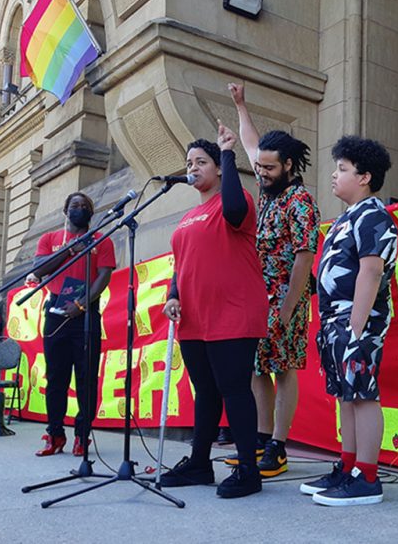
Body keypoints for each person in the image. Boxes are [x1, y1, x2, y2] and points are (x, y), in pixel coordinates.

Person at [159, 125, 268, 499]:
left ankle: (248, 471)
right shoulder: (190, 216)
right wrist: (173, 294)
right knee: (205, 392)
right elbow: (181, 265)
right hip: (194, 317)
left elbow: (236, 209)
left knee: (234, 389)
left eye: (200, 161)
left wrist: (227, 152)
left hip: (233, 313)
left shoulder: (234, 201)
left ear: (219, 169)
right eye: (189, 162)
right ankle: (200, 464)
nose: (192, 167)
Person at [300, 136, 398, 506]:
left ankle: (368, 477)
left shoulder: (374, 216)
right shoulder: (345, 219)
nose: (334, 175)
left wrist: (356, 330)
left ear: (365, 177)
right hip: (335, 322)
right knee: (346, 394)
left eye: (343, 169)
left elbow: (371, 272)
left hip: (358, 322)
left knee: (363, 394)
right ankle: (349, 466)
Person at [229, 83, 320, 477]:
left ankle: (279, 447)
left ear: (288, 167)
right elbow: (251, 144)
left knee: (282, 369)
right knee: (255, 367)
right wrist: (241, 105)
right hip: (257, 297)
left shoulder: (300, 202)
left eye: (268, 167)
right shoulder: (267, 189)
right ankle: (261, 440)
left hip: (287, 298)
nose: (260, 172)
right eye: (260, 167)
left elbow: (304, 256)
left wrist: (286, 309)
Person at [29, 192, 115, 457]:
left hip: (85, 312)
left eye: (85, 206)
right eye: (75, 205)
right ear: (65, 211)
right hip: (55, 311)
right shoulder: (50, 239)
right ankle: (55, 434)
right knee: (56, 378)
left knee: (86, 378)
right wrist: (70, 249)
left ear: (91, 213)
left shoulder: (101, 240)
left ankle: (82, 435)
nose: (80, 209)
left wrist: (80, 305)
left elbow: (103, 277)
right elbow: (39, 268)